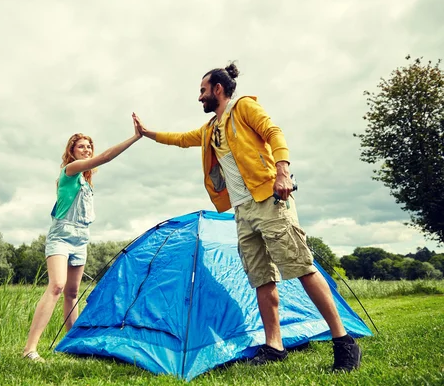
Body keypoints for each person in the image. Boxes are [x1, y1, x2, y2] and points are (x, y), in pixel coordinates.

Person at [132, 62, 362, 372]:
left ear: (218, 89)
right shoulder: (211, 129)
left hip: (269, 199)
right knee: (261, 278)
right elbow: (181, 138)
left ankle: (344, 341)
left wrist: (282, 173)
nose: (199, 97)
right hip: (242, 210)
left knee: (301, 266)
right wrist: (147, 133)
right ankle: (274, 346)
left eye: (202, 90)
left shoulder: (244, 107)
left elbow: (274, 132)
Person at [23, 122, 141, 362]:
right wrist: (135, 137)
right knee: (57, 285)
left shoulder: (86, 183)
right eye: (81, 147)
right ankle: (29, 349)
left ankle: (73, 343)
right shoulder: (70, 170)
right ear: (72, 151)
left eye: (89, 146)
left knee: (72, 292)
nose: (86, 150)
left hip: (81, 238)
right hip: (61, 236)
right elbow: (106, 158)